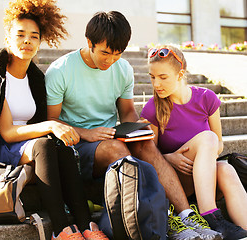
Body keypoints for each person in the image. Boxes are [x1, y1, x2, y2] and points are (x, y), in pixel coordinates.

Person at [45, 11, 221, 240]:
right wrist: (87, 133)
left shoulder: (123, 69)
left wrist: (136, 128)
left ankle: (185, 215)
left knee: (145, 144)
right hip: (77, 146)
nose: (110, 61)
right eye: (105, 53)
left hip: (110, 137)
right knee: (115, 149)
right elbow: (53, 121)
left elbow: (127, 112)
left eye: (117, 54)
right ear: (89, 43)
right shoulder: (61, 70)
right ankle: (163, 219)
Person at [0, 1, 109, 239]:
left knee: (61, 148)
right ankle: (60, 229)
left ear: (40, 42)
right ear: (7, 39)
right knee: (44, 144)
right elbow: (8, 133)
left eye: (34, 36)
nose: (27, 41)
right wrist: (51, 126)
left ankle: (86, 226)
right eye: (20, 35)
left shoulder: (35, 79)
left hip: (24, 146)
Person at [140, 44, 247, 240]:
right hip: (175, 184)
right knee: (207, 138)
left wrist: (201, 157)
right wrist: (169, 158)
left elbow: (219, 144)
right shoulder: (152, 109)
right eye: (152, 77)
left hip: (203, 180)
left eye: (163, 77)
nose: (156, 84)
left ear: (180, 75)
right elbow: (148, 155)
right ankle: (210, 216)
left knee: (226, 169)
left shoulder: (207, 98)